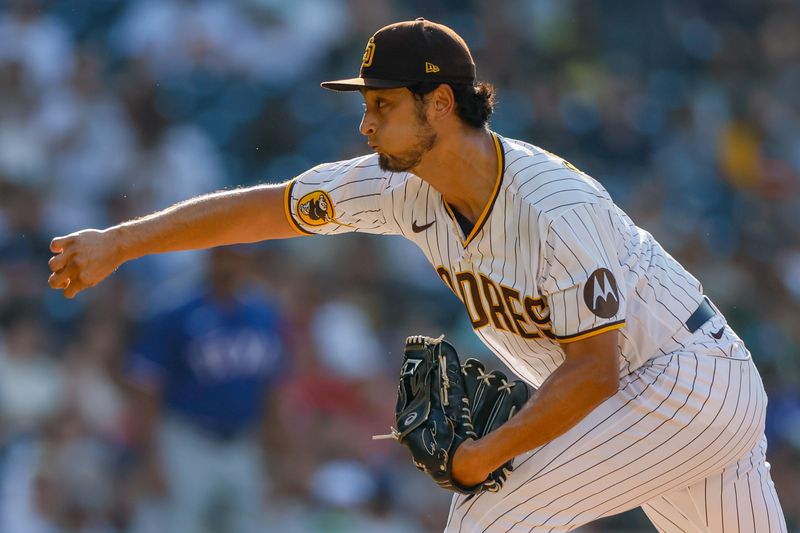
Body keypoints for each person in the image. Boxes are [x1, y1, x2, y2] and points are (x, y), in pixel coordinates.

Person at [47, 18, 786, 532]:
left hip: (685, 378)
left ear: (440, 102)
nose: (366, 125)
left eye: (382, 106)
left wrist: (483, 452)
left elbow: (595, 372)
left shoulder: (555, 204)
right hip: (656, 395)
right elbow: (269, 209)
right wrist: (121, 241)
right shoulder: (398, 184)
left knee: (495, 511)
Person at [125, 246, 288, 533]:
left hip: (242, 443)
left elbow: (271, 389)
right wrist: (151, 456)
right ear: (209, 258)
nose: (229, 265)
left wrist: (277, 455)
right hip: (187, 442)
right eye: (222, 256)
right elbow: (145, 388)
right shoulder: (175, 311)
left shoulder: (264, 315)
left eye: (236, 257)